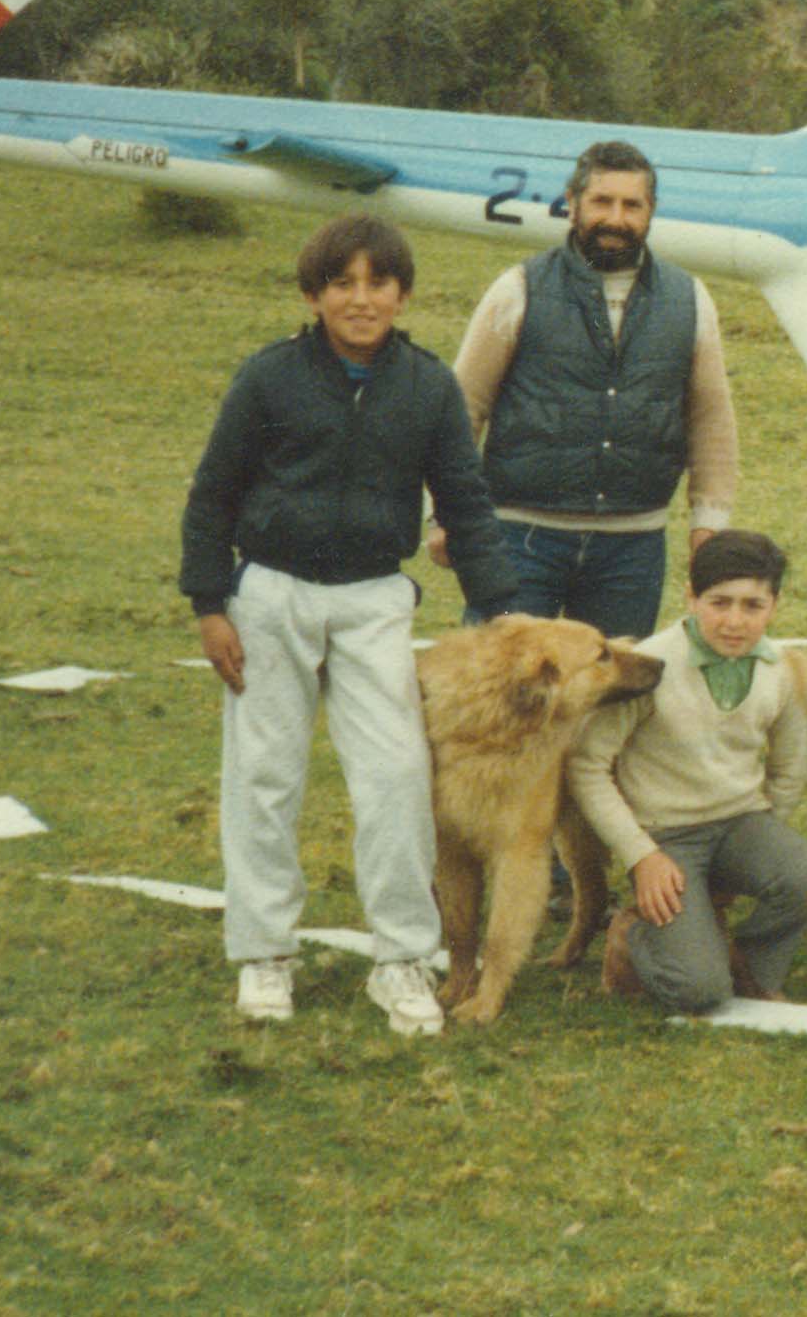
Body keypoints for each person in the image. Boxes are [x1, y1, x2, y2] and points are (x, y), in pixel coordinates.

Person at [181, 213, 520, 1037]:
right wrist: (208, 605)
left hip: (373, 600)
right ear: (314, 294)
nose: (361, 300)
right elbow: (212, 494)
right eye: (343, 284)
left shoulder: (429, 387)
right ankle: (264, 953)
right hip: (271, 597)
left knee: (397, 777)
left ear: (402, 294)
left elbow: (466, 506)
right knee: (265, 775)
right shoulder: (269, 379)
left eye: (378, 283)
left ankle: (403, 956)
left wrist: (503, 611)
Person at [438, 140, 739, 640]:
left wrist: (708, 521)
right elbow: (461, 409)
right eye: (602, 202)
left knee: (610, 705)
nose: (615, 218)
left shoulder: (691, 300)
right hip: (518, 539)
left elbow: (710, 419)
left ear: (651, 212)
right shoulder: (518, 288)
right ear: (572, 203)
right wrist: (446, 516)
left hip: (631, 549)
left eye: (631, 205)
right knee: (502, 696)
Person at [568, 531, 807, 1016]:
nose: (735, 621)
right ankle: (634, 936)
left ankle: (748, 964)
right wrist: (640, 855)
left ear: (774, 604)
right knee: (697, 992)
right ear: (690, 597)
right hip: (665, 836)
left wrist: (769, 834)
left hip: (739, 823)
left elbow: (789, 767)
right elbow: (588, 766)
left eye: (753, 605)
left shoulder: (778, 668)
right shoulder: (649, 668)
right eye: (719, 603)